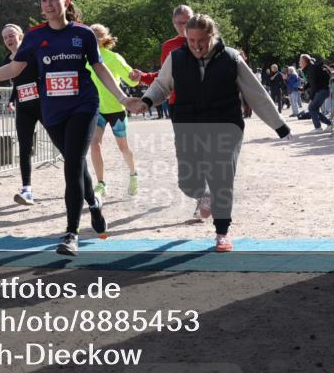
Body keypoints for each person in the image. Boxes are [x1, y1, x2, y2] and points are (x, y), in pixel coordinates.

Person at [0, 0, 132, 257]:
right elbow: (15, 67)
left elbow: (99, 67)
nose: (48, 4)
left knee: (73, 164)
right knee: (75, 162)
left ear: (66, 2)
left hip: (83, 105)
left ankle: (71, 234)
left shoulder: (83, 34)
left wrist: (123, 98)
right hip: (53, 111)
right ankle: (94, 203)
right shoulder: (35, 36)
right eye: (43, 0)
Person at [124, 14, 293, 252]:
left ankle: (222, 233)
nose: (196, 46)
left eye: (201, 40)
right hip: (189, 124)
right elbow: (162, 85)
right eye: (191, 40)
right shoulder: (176, 58)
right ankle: (203, 195)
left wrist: (279, 125)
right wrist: (147, 101)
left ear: (212, 36)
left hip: (226, 124)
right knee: (187, 181)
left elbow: (255, 93)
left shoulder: (231, 58)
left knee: (222, 176)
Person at [87, 24, 142, 198]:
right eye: (90, 35)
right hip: (96, 110)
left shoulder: (113, 58)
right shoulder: (83, 58)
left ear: (104, 39)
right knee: (94, 144)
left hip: (116, 109)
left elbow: (132, 81)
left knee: (123, 147)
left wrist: (135, 76)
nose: (92, 39)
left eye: (96, 36)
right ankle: (101, 183)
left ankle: (133, 174)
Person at [0, 23, 43, 206]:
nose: (9, 39)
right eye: (5, 37)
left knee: (62, 144)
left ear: (21, 36)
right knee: (24, 148)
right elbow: (17, 83)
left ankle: (79, 181)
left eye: (11, 35)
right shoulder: (7, 60)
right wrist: (11, 99)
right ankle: (27, 190)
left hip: (43, 104)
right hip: (24, 107)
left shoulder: (33, 53)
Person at [299, 54, 331, 130]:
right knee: (314, 109)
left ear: (304, 62)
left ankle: (318, 127)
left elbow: (314, 85)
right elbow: (311, 82)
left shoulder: (311, 69)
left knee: (311, 108)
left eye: (300, 61)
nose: (299, 63)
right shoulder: (310, 68)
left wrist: (311, 98)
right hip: (323, 90)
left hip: (322, 91)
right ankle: (329, 124)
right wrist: (304, 88)